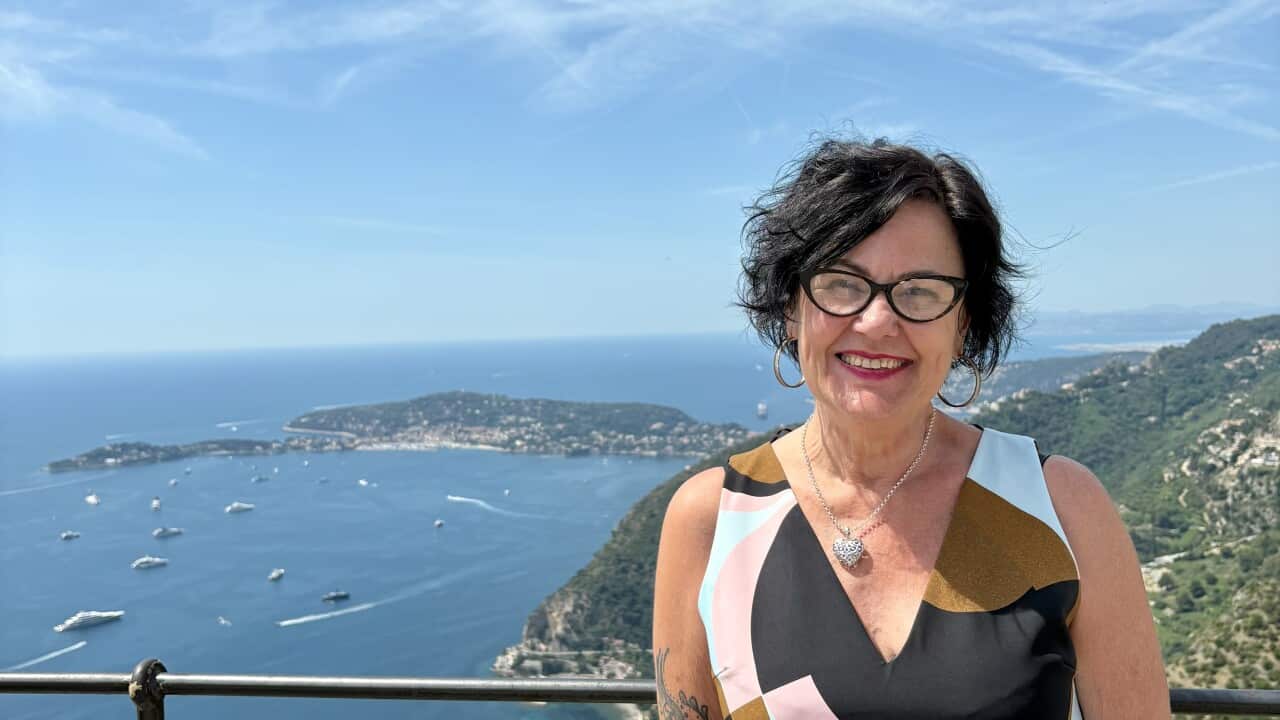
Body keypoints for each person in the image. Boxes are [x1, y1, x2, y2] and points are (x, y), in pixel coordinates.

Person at [652, 138, 1168, 719]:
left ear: (963, 322)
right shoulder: (711, 519)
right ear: (791, 307)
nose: (877, 322)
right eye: (841, 283)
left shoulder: (1061, 506)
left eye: (920, 291)